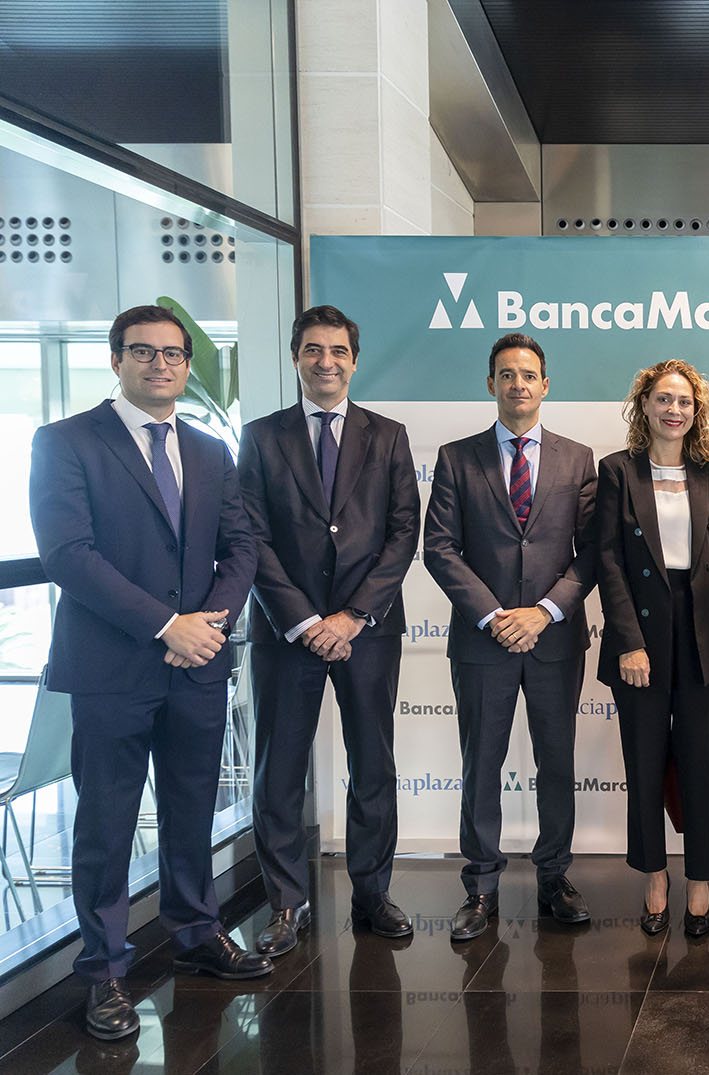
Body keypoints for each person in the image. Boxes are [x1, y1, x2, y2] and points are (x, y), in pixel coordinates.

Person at [30, 305, 267, 1041]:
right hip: (112, 668)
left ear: (188, 365)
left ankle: (196, 932)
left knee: (192, 808)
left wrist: (209, 624)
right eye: (143, 351)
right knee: (106, 823)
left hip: (197, 665)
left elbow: (241, 546)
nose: (159, 364)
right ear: (116, 359)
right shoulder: (66, 441)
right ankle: (103, 970)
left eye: (172, 354)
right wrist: (168, 625)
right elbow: (68, 555)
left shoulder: (209, 450)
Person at [237, 305, 421, 955]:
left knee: (373, 764)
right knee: (279, 771)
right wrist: (304, 619)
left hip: (366, 630)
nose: (326, 361)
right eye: (313, 349)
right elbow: (251, 535)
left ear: (354, 361)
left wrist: (352, 615)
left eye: (338, 350)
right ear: (296, 358)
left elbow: (403, 531)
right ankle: (287, 904)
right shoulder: (261, 437)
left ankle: (373, 893)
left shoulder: (388, 436)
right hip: (287, 632)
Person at [422, 332, 599, 941]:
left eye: (528, 374)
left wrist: (544, 612)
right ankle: (480, 885)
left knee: (556, 761)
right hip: (484, 641)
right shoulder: (456, 458)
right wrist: (495, 616)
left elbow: (591, 552)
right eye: (506, 374)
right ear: (490, 384)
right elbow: (439, 548)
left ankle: (555, 876)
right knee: (481, 763)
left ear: (545, 385)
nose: (517, 384)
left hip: (554, 640)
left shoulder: (578, 459)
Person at [596, 360, 709, 938]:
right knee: (645, 763)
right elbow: (608, 560)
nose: (674, 409)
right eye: (663, 399)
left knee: (702, 763)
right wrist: (628, 641)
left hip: (701, 634)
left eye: (684, 401)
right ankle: (654, 878)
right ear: (645, 406)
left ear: (696, 411)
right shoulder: (617, 470)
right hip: (641, 634)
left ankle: (700, 881)